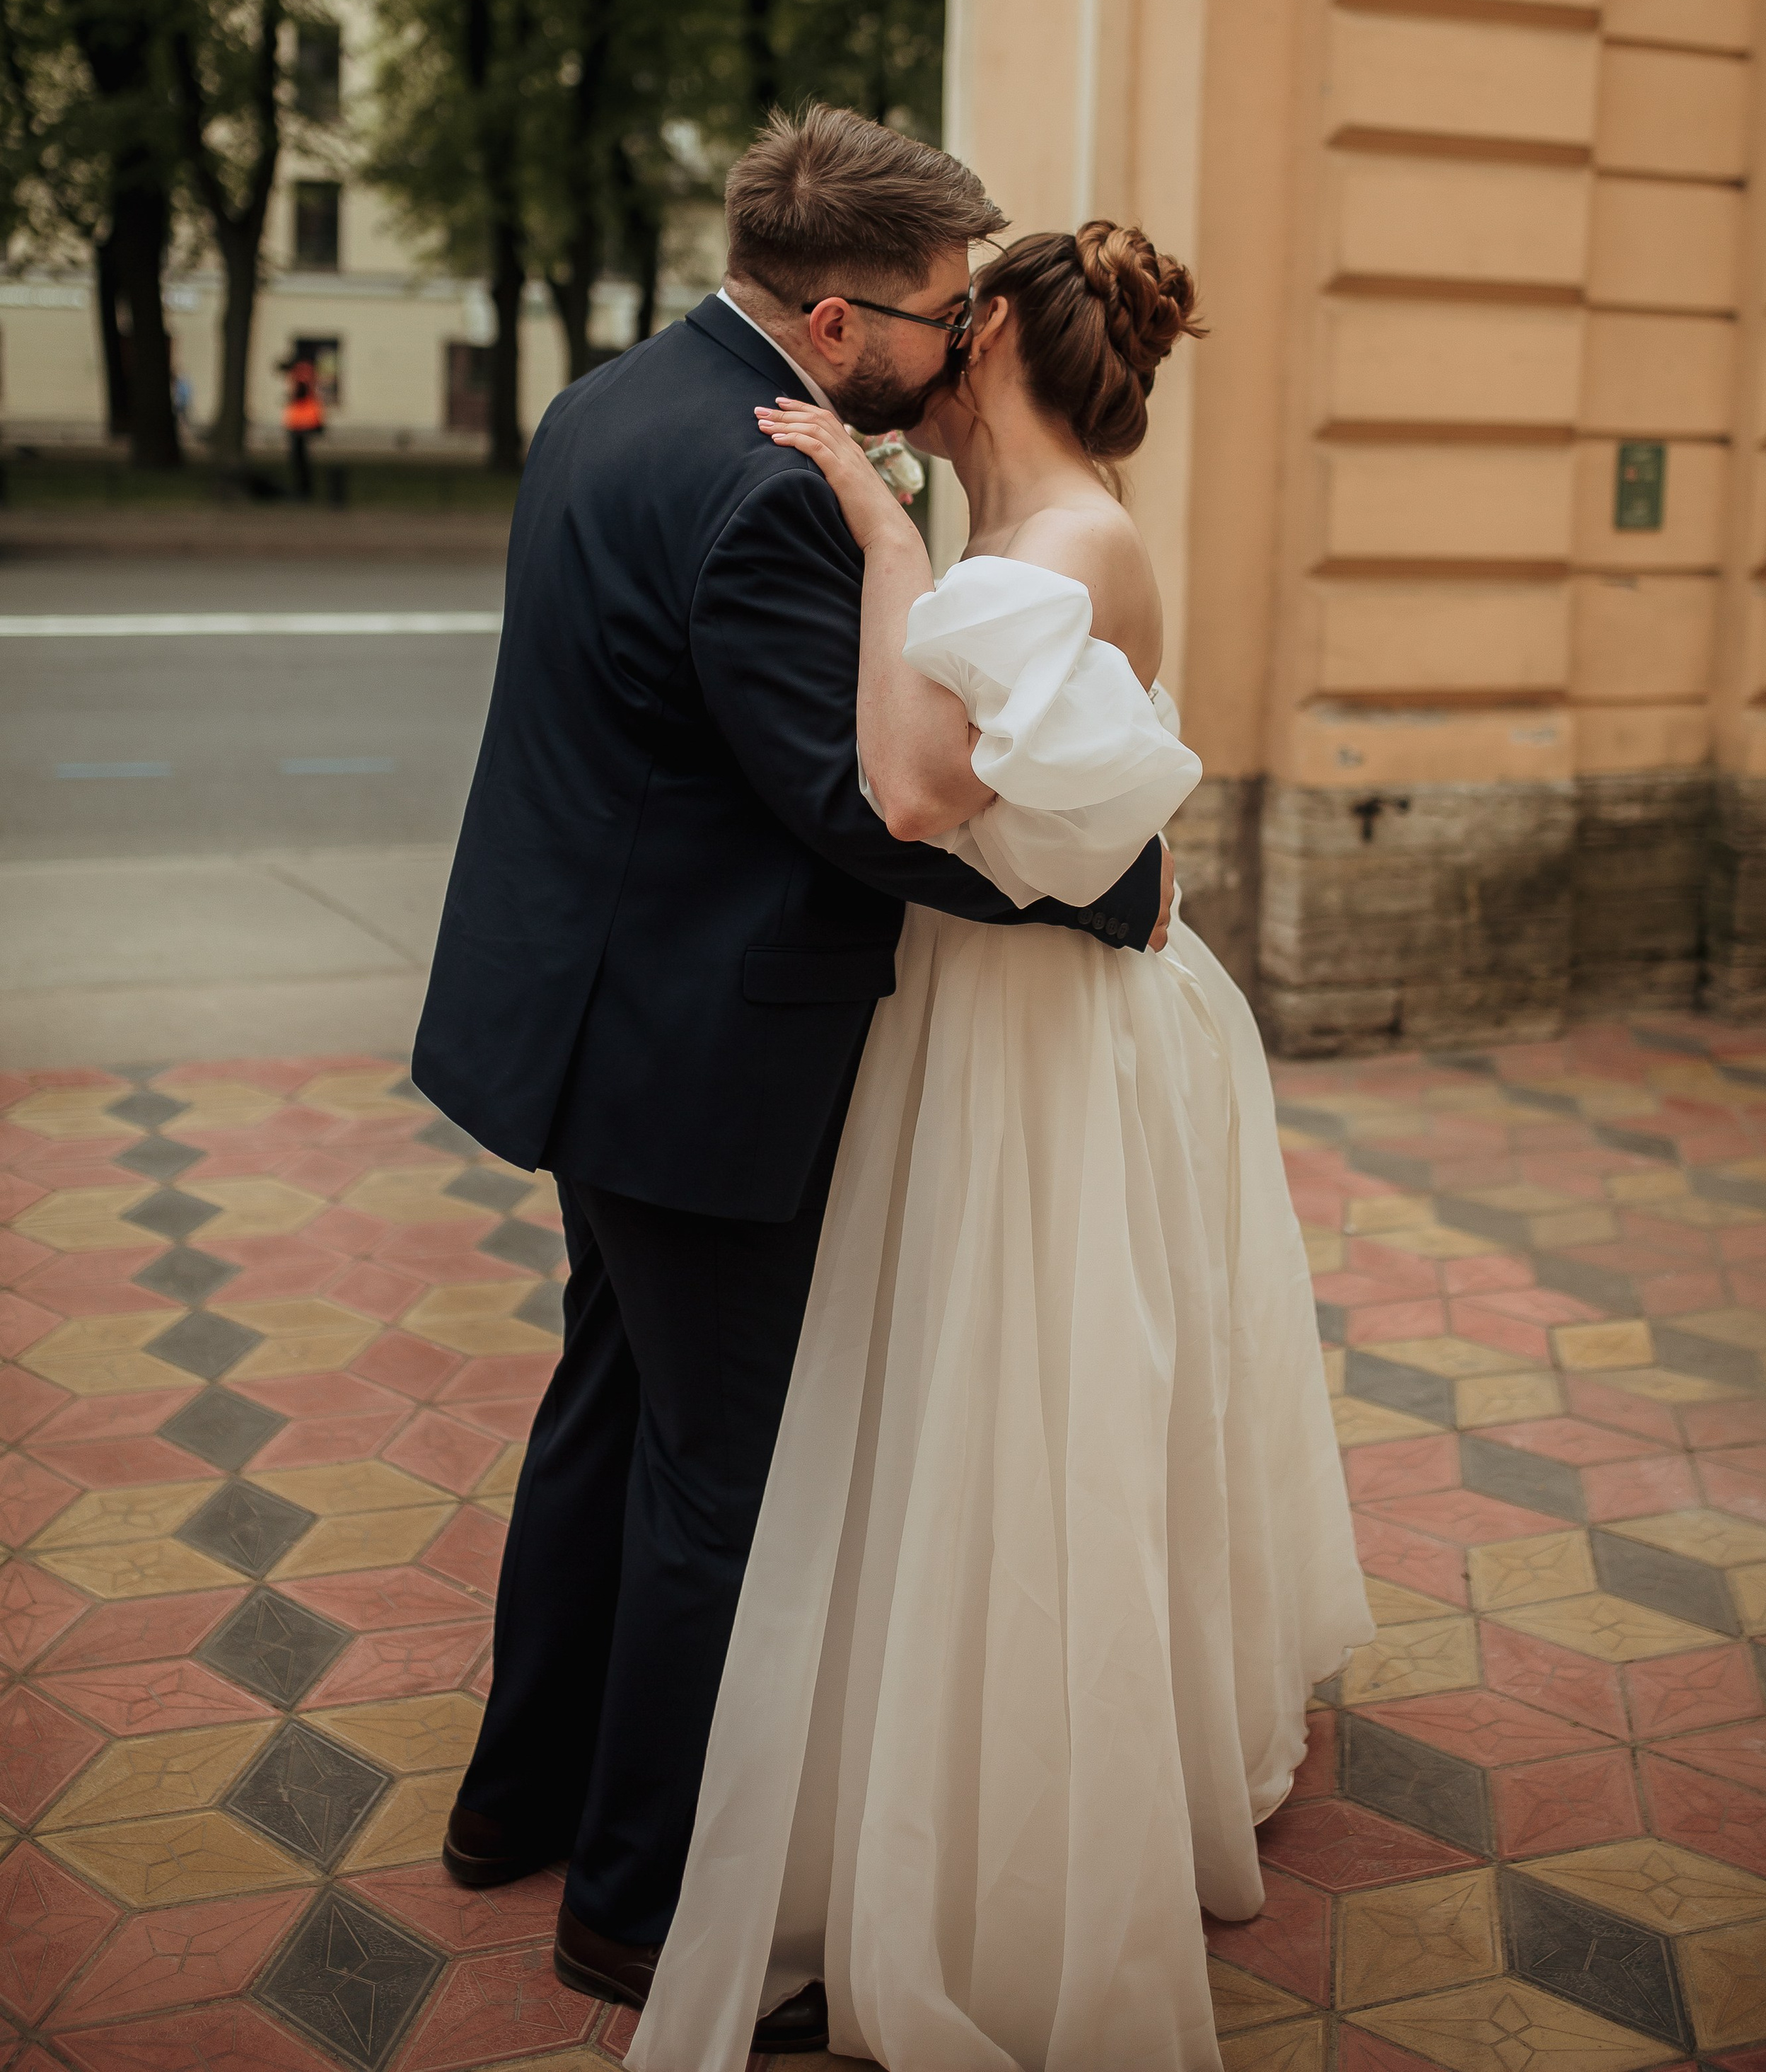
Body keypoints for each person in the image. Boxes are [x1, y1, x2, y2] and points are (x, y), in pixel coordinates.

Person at [411, 109, 1174, 2055]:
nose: (964, 345)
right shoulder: (769, 490)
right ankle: (640, 1906)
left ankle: (515, 1802)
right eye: (939, 315)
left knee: (602, 1410)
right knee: (714, 1474)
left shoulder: (603, 405)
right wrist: (1113, 884)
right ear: (838, 323)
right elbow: (857, 808)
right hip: (697, 1061)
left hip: (582, 1028)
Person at [625, 221, 1373, 2072]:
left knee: (1035, 1408)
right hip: (996, 1014)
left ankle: (1025, 1839)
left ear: (996, 364)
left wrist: (880, 541)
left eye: (954, 333)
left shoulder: (1068, 544)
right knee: (972, 1404)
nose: (921, 357)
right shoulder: (1034, 539)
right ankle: (939, 1779)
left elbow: (913, 790)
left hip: (1043, 1041)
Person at [280, 349, 324, 497]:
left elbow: (301, 392)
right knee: (301, 459)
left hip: (302, 423)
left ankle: (303, 490)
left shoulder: (302, 372)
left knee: (299, 460)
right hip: (304, 421)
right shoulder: (308, 371)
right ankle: (304, 489)